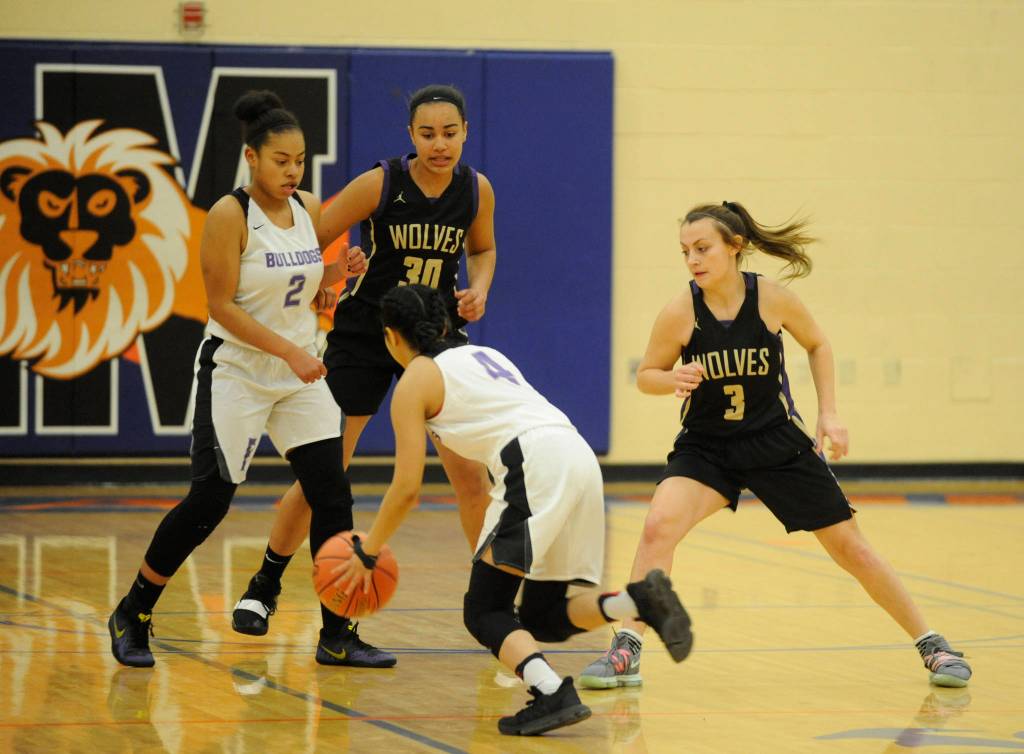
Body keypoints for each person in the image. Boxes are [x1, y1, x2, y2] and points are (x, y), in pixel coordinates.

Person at [578, 201, 973, 690]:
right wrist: (671, 378)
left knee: (852, 549)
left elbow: (818, 344)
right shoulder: (681, 311)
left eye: (702, 249)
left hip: (775, 442)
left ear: (733, 247)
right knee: (658, 525)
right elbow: (645, 376)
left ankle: (932, 643)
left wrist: (829, 412)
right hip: (708, 447)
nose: (693, 260)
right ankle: (627, 649)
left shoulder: (771, 299)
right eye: (685, 252)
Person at [332, 284, 694, 736]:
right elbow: (473, 477)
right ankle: (639, 600)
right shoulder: (485, 355)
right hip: (577, 455)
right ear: (445, 324)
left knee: (482, 611)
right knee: (541, 615)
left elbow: (406, 487)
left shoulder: (414, 382)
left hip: (535, 465)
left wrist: (370, 548)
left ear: (391, 337)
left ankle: (550, 693)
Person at [107, 90, 376, 668]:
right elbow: (224, 306)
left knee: (332, 493)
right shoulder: (229, 215)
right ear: (252, 157)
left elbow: (301, 293)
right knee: (210, 500)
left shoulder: (306, 207)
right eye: (281, 160)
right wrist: (291, 353)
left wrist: (336, 276)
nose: (293, 170)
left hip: (297, 370)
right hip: (239, 370)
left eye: (300, 160)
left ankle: (337, 633)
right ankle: (134, 611)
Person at [230, 85, 497, 664]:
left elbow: (484, 250)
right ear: (410, 136)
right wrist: (333, 272)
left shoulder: (476, 190)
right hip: (366, 335)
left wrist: (478, 290)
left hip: (437, 338)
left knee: (471, 477)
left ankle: (491, 603)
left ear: (466, 132)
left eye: (449, 132)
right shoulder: (381, 183)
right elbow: (306, 236)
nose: (439, 143)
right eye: (427, 133)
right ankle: (265, 585)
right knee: (328, 471)